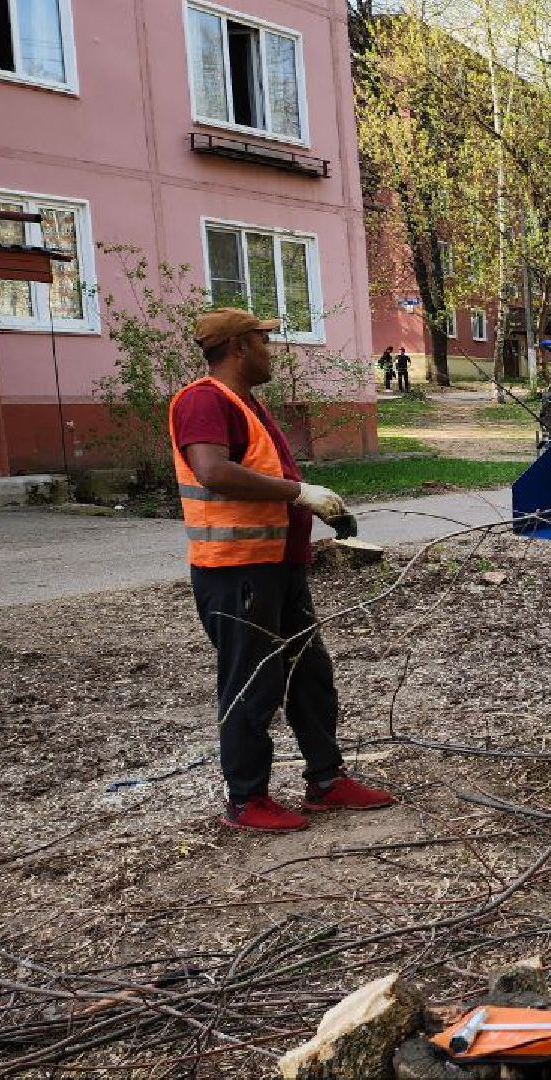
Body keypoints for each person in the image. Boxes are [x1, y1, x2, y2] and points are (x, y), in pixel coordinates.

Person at [170, 308, 396, 832]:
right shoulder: (205, 399)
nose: (272, 351)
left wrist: (310, 505)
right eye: (264, 341)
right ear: (240, 347)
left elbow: (261, 474)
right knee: (253, 683)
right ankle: (247, 801)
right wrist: (299, 492)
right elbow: (211, 470)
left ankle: (325, 779)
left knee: (308, 674)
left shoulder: (247, 403)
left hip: (277, 567)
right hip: (238, 572)